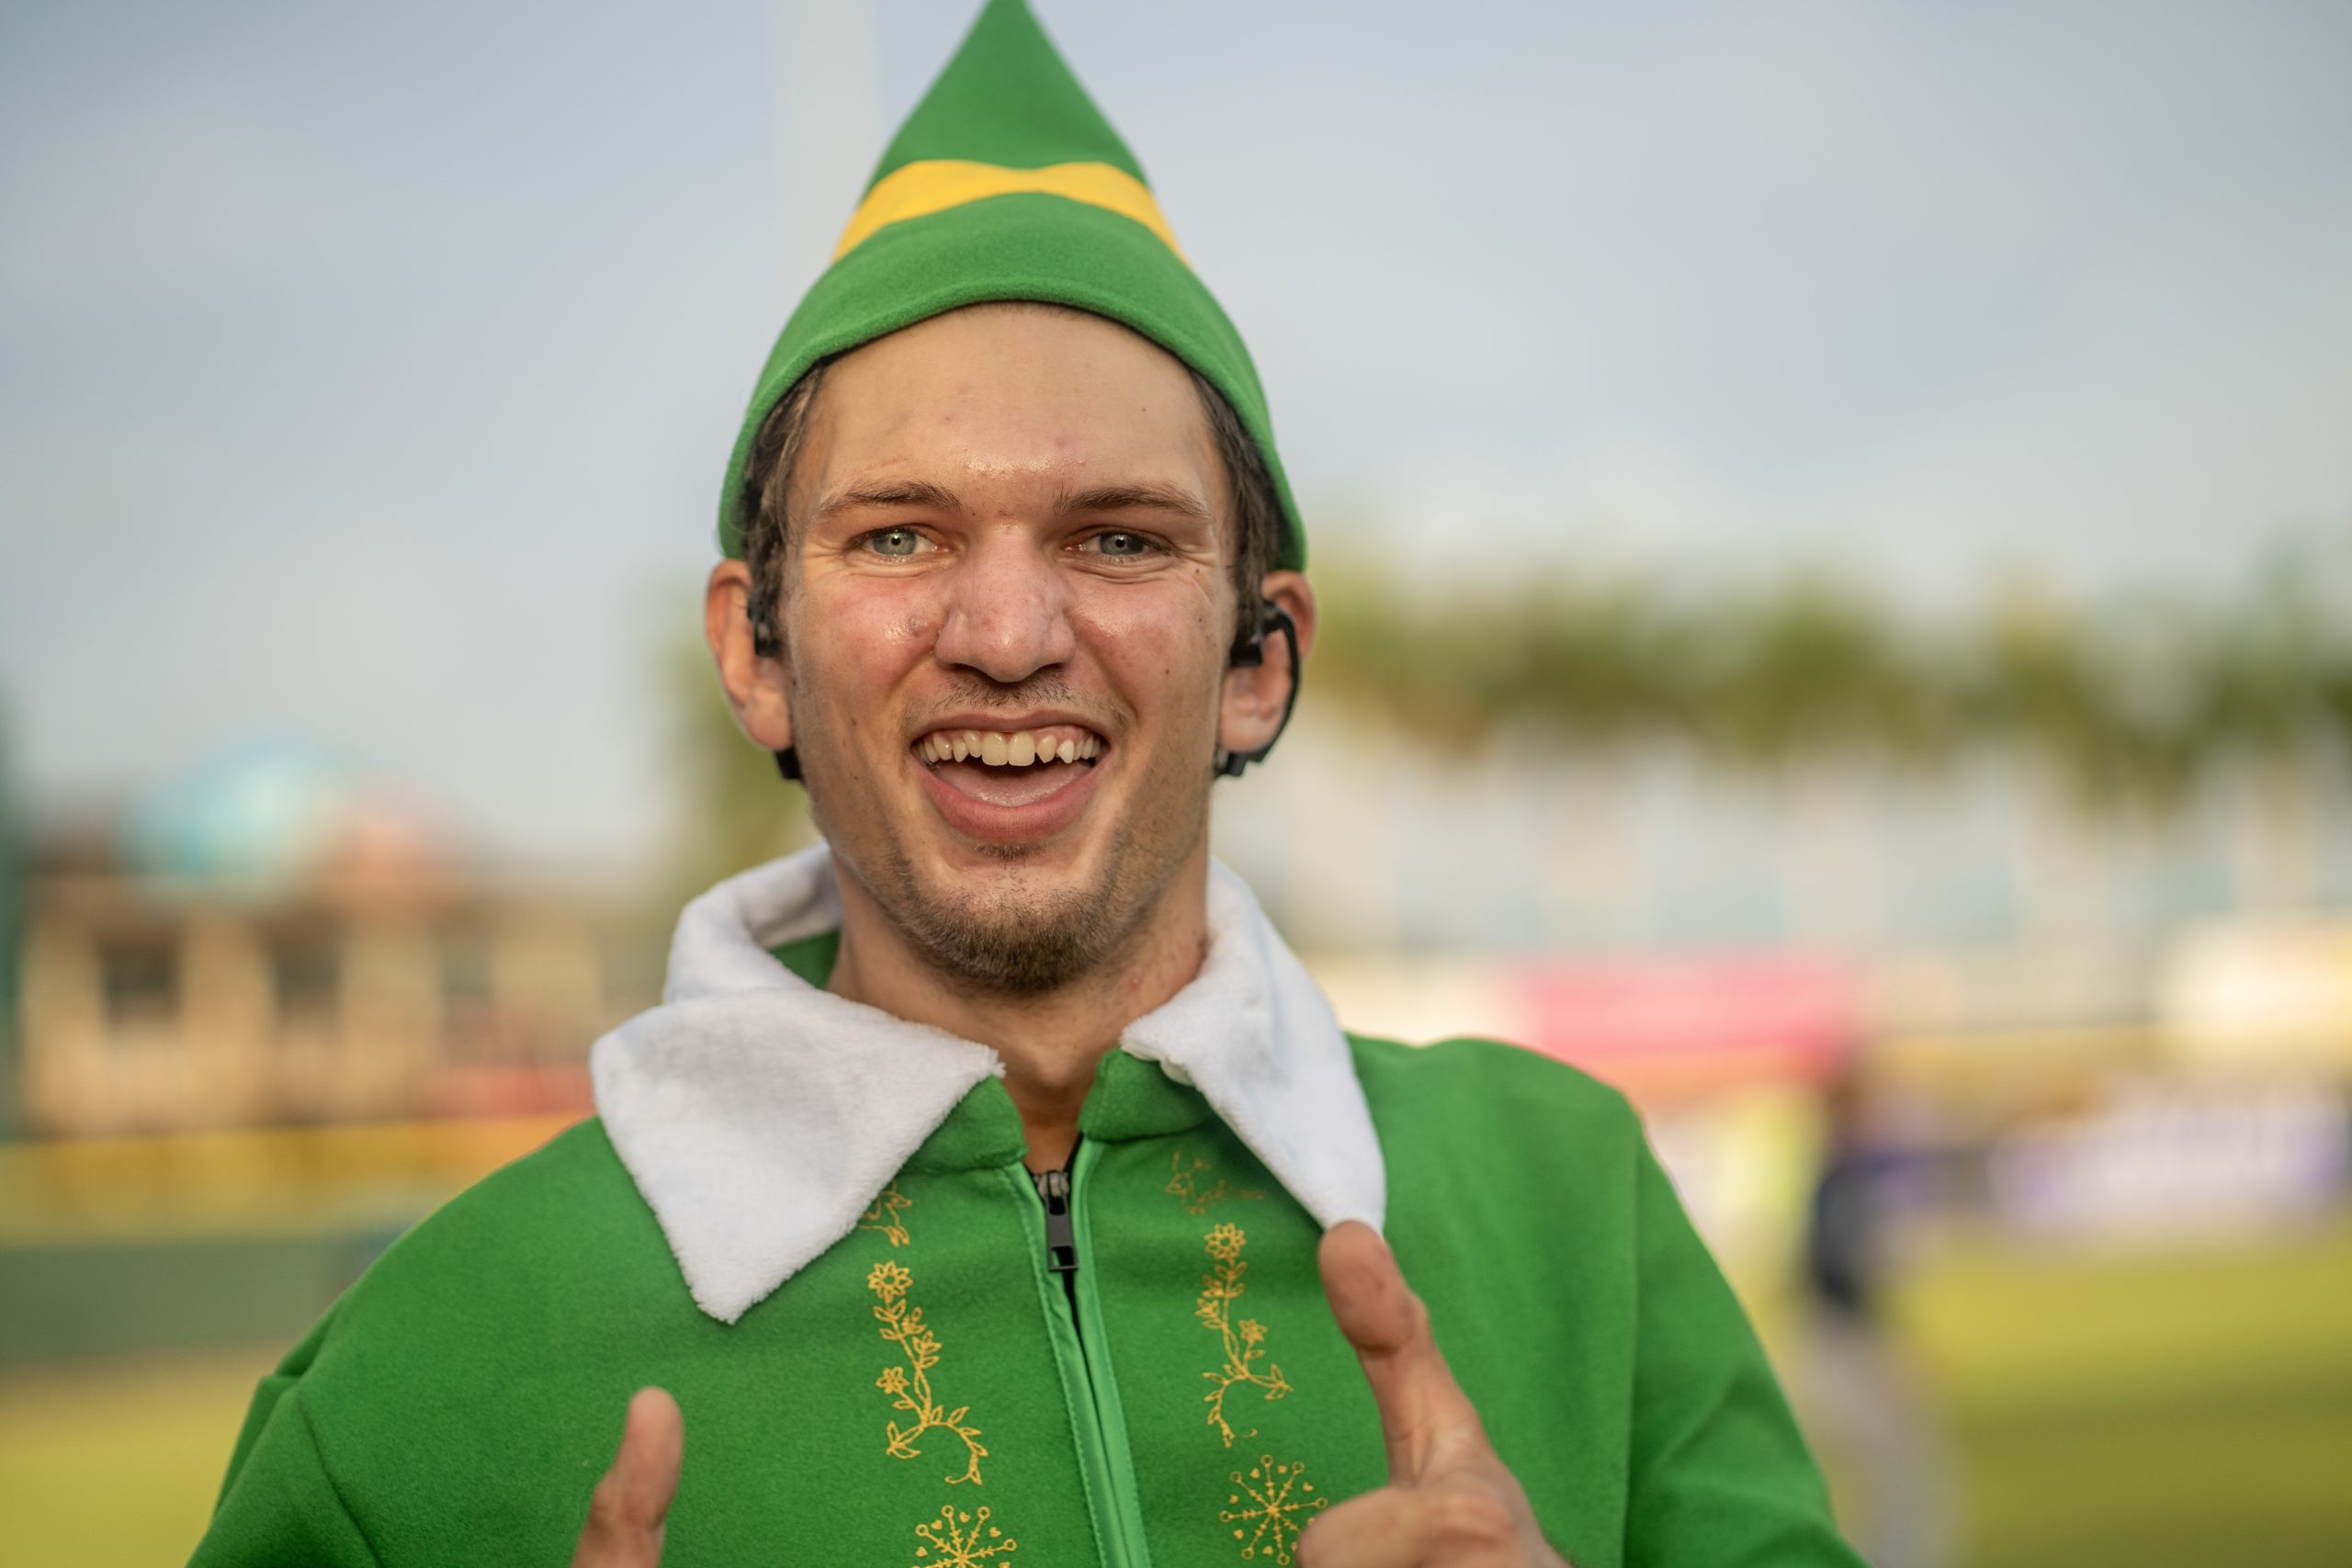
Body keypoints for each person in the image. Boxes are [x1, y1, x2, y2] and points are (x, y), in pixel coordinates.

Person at [190, 4, 1861, 1564]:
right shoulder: (416, 1385)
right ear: (757, 647)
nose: (1005, 633)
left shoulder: (1570, 1213)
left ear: (1260, 656)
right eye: (901, 535)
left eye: (1119, 539)